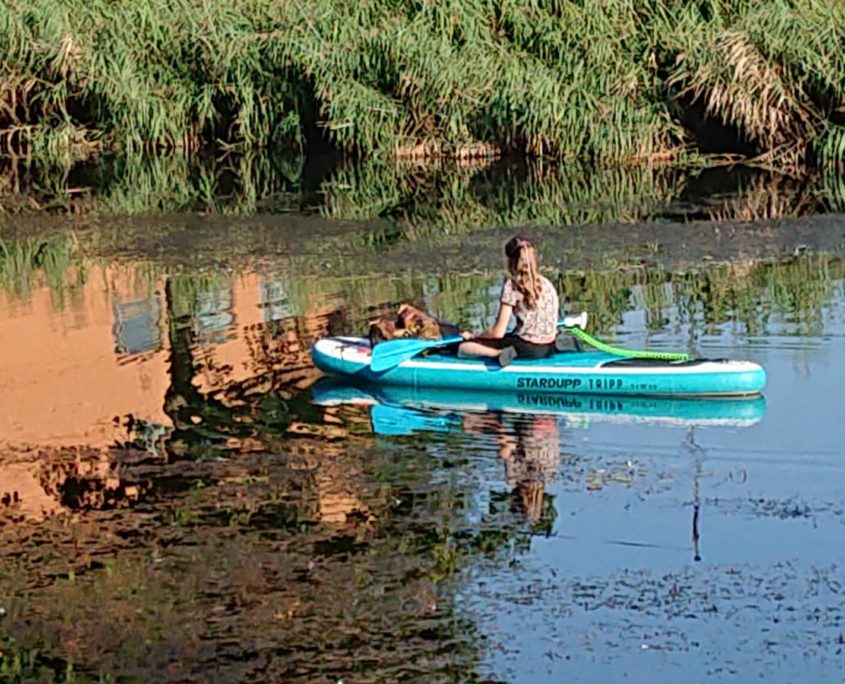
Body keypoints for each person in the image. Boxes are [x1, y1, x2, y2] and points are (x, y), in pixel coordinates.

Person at [458, 236, 559, 367]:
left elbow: (497, 332)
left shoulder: (512, 286)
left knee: (463, 348)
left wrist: (474, 336)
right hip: (549, 345)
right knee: (512, 336)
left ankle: (498, 354)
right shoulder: (547, 284)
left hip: (528, 348)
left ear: (512, 261)